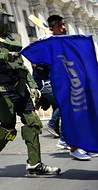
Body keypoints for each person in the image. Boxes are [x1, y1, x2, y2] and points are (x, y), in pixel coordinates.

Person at [0, 5, 61, 177]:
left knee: (33, 124)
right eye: (2, 18)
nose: (6, 22)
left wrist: (33, 85)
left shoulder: (10, 40)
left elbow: (22, 67)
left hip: (21, 89)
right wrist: (4, 56)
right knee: (8, 128)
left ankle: (35, 164)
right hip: (2, 90)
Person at [43, 15, 92, 161]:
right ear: (51, 28)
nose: (63, 28)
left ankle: (74, 143)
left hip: (70, 85)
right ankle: (73, 147)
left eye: (63, 25)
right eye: (59, 26)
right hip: (54, 86)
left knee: (77, 113)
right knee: (70, 113)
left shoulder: (66, 42)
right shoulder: (48, 44)